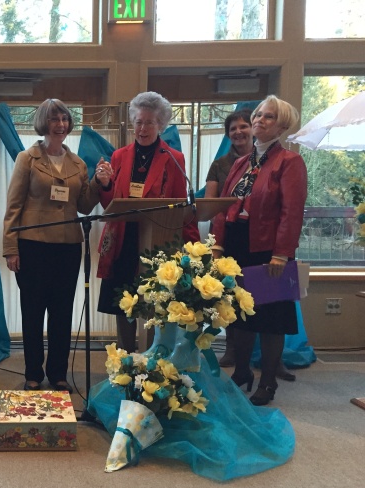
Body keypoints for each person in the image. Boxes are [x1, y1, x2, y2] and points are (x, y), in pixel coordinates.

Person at [211, 95, 308, 405]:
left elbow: (291, 212)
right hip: (237, 245)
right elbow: (223, 206)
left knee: (270, 318)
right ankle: (242, 372)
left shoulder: (290, 162)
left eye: (267, 117)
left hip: (269, 250)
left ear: (281, 125)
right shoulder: (241, 162)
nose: (258, 121)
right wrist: (217, 243)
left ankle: (267, 382)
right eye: (258, 115)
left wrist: (282, 252)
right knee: (239, 314)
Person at [3, 98, 104, 392]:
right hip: (33, 246)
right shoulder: (27, 158)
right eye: (53, 119)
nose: (60, 125)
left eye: (64, 119)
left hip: (68, 248)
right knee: (33, 312)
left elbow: (84, 205)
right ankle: (33, 372)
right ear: (43, 124)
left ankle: (58, 373)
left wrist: (98, 182)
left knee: (61, 313)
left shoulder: (79, 164)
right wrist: (11, 248)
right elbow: (13, 206)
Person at [95, 91, 200, 353]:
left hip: (157, 239)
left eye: (149, 122)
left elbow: (179, 204)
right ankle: (125, 358)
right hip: (123, 236)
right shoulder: (119, 156)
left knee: (155, 301)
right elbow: (110, 202)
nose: (142, 128)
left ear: (161, 125)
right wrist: (105, 184)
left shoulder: (174, 157)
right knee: (124, 299)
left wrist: (192, 243)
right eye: (139, 122)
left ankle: (154, 356)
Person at [205, 110, 255, 368]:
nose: (238, 132)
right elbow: (213, 206)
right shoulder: (220, 165)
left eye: (243, 126)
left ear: (253, 129)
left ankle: (266, 356)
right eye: (233, 128)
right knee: (232, 296)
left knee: (264, 297)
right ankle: (233, 349)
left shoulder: (265, 161)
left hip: (259, 236)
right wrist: (216, 244)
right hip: (229, 236)